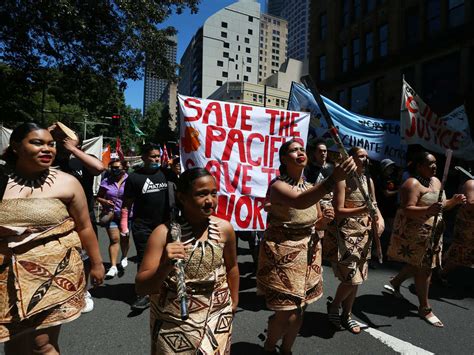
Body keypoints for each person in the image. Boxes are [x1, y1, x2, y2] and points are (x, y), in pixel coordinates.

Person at [0, 122, 104, 354]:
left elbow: (85, 226)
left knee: (42, 344)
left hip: (53, 276)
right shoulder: (1, 180)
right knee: (14, 344)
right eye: (37, 142)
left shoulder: (68, 182)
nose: (47, 149)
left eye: (51, 144)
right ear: (15, 147)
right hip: (5, 279)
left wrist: (97, 264)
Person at [257, 139, 356, 355]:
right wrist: (333, 179)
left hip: (309, 255)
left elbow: (317, 222)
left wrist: (325, 221)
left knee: (300, 311)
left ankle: (286, 350)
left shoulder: (311, 187)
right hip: (283, 255)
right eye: (293, 150)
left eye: (302, 149)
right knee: (286, 313)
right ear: (284, 159)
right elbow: (300, 202)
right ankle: (268, 347)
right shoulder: (278, 186)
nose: (300, 152)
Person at [135, 167, 239, 354]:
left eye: (213, 194)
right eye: (201, 194)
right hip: (173, 322)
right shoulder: (163, 234)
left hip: (218, 316)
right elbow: (142, 287)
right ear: (182, 197)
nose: (210, 201)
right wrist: (165, 265)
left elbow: (232, 268)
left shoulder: (225, 229)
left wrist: (233, 304)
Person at [385, 151, 465, 327]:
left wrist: (454, 201)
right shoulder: (411, 184)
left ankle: (395, 282)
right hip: (416, 235)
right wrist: (428, 211)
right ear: (419, 166)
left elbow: (441, 207)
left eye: (435, 163)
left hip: (434, 233)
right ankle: (424, 308)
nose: (434, 166)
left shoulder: (436, 181)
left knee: (418, 264)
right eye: (430, 164)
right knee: (425, 269)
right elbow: (406, 209)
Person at [325, 147, 384, 334]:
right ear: (351, 159)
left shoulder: (369, 180)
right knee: (352, 278)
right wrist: (363, 210)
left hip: (365, 234)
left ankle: (347, 314)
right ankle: (334, 307)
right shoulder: (342, 180)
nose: (365, 159)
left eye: (367, 156)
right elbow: (339, 210)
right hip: (347, 234)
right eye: (361, 156)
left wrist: (380, 219)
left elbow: (374, 205)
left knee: (358, 277)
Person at [50, 122, 105, 313]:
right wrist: (47, 134)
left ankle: (84, 290)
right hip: (56, 221)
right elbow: (10, 157)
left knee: (86, 258)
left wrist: (73, 149)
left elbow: (99, 167)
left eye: (66, 138)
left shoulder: (82, 160)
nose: (61, 142)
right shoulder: (48, 161)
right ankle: (62, 293)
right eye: (58, 139)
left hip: (84, 219)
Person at [121, 143, 176, 310]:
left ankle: (167, 289)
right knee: (145, 260)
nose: (156, 159)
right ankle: (143, 293)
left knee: (169, 258)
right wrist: (124, 226)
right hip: (143, 227)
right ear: (143, 157)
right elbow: (126, 205)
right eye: (152, 156)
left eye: (158, 156)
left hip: (166, 227)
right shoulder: (134, 178)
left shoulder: (167, 174)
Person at [96, 159, 131, 278]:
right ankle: (113, 266)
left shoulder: (130, 180)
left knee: (124, 238)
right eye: (113, 168)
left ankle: (124, 256)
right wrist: (105, 201)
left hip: (127, 215)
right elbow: (98, 196)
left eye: (117, 167)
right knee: (114, 239)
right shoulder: (106, 181)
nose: (115, 170)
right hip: (111, 214)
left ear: (124, 168)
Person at [439, 178, 474, 282]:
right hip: (467, 228)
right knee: (459, 254)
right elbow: (470, 204)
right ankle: (440, 273)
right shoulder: (471, 183)